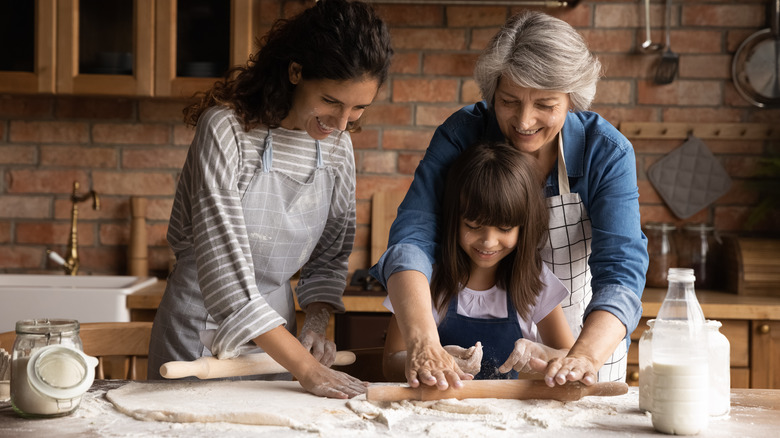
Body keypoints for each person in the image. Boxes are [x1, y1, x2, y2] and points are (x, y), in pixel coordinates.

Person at [370, 10, 648, 390]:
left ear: (572, 99)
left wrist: (581, 356)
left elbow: (621, 272)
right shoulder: (461, 136)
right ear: (492, 92)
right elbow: (412, 240)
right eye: (509, 101)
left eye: (546, 105)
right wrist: (424, 345)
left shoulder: (606, 153)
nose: (524, 121)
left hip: (587, 341)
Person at [148, 0, 393, 399]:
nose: (342, 123)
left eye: (359, 108)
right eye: (331, 101)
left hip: (278, 340)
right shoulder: (225, 130)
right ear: (295, 71)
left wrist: (314, 325)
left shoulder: (338, 148)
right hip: (200, 331)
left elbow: (329, 258)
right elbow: (225, 277)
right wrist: (304, 367)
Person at [382, 141, 575, 381]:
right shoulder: (424, 279)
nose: (488, 242)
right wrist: (438, 358)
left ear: (523, 227)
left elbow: (570, 357)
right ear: (454, 219)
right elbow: (391, 362)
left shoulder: (535, 280)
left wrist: (544, 354)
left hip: (509, 417)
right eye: (473, 226)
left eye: (504, 228)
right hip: (438, 412)